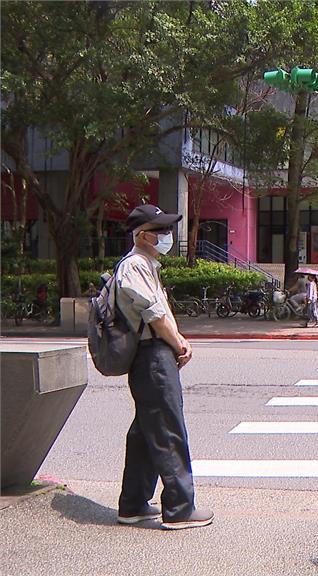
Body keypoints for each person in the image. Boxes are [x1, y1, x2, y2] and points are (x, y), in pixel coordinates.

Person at [113, 204, 213, 530]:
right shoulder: (134, 266)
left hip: (154, 353)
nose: (167, 236)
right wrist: (178, 343)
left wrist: (178, 339)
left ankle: (133, 504)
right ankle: (180, 508)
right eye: (160, 231)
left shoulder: (146, 264)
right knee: (169, 431)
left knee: (145, 431)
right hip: (151, 356)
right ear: (142, 235)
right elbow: (154, 315)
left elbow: (160, 314)